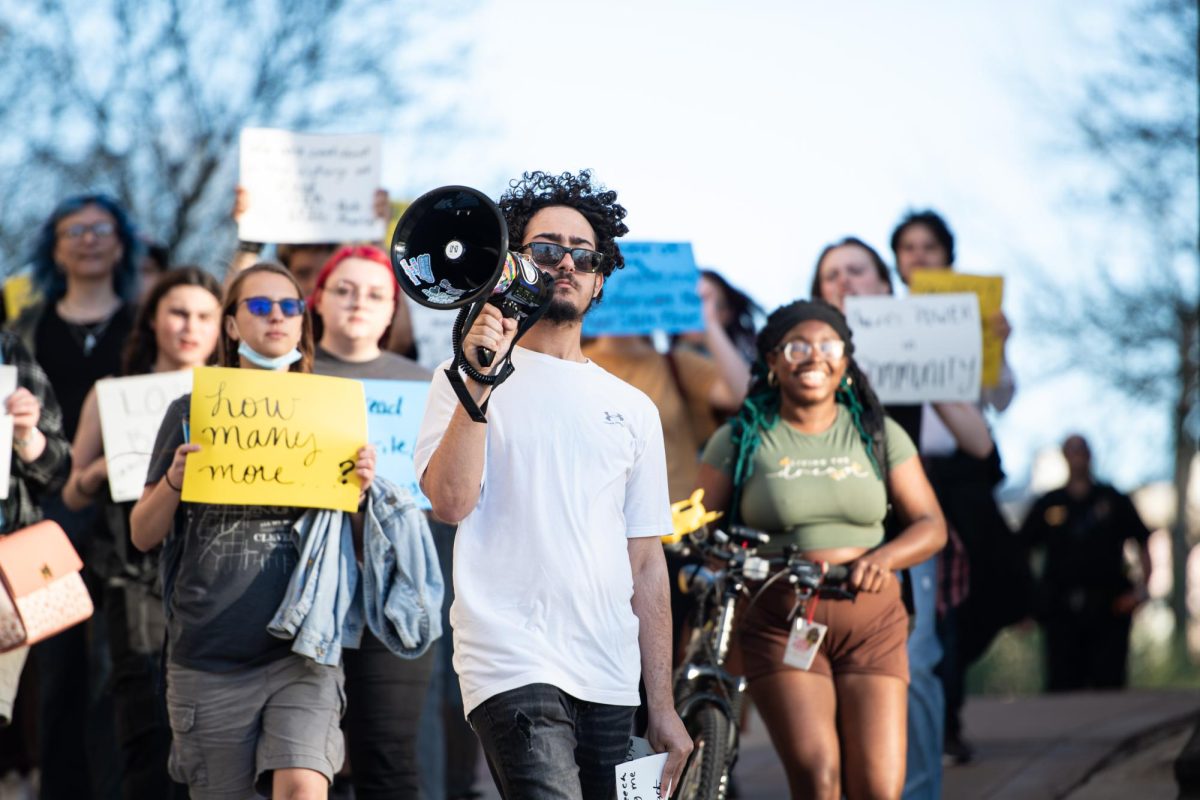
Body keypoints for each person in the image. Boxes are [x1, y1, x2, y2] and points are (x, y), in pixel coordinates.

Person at [414, 170, 692, 800]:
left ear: (598, 279)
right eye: (544, 250)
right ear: (512, 265)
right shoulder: (459, 379)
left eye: (582, 254)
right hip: (511, 663)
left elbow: (646, 563)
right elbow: (450, 502)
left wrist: (663, 703)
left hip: (612, 675)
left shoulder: (634, 408)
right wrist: (478, 385)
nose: (565, 262)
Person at [129, 263, 376, 799]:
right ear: (233, 326)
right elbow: (142, 534)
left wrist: (359, 495)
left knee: (302, 789)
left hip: (303, 652)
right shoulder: (190, 410)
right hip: (209, 657)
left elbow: (358, 548)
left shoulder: (332, 411)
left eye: (290, 306)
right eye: (260, 307)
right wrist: (174, 480)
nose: (278, 317)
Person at [695, 299, 946, 800]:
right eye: (797, 346)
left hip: (872, 620)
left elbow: (931, 525)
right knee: (818, 777)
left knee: (878, 787)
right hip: (778, 617)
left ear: (846, 361)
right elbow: (697, 528)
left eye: (828, 346)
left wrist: (884, 559)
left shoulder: (878, 432)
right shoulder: (741, 437)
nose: (814, 357)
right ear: (772, 361)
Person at [811, 236, 992, 796]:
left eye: (858, 270)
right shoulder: (800, 358)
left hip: (901, 542)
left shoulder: (910, 349)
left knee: (913, 670)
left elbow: (978, 443)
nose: (844, 281)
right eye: (831, 274)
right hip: (822, 543)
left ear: (886, 286)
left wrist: (937, 371)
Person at [62, 267, 222, 799]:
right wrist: (99, 471)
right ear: (152, 319)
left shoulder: (240, 398)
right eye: (178, 312)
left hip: (214, 576)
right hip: (132, 578)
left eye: (204, 315)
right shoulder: (112, 394)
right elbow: (71, 493)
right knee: (138, 717)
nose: (190, 327)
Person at [11, 193, 142, 799]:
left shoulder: (149, 320)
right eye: (74, 230)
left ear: (122, 243)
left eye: (102, 229)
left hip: (135, 519)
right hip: (46, 522)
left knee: (121, 670)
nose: (89, 239)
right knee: (58, 669)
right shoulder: (25, 330)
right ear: (54, 246)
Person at [889, 211, 1029, 765]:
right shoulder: (884, 322)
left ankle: (942, 723)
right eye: (908, 247)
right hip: (899, 480)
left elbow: (999, 398)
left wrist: (999, 346)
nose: (919, 256)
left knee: (950, 609)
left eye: (929, 246)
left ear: (948, 256)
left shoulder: (976, 319)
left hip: (959, 486)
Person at [307, 244, 445, 799]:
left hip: (394, 597)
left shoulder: (431, 387)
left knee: (388, 759)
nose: (358, 302)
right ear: (317, 301)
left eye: (375, 293)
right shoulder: (291, 378)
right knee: (298, 759)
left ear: (395, 311)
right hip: (300, 590)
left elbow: (448, 494)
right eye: (343, 289)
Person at [1019, 434, 1152, 691]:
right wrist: (1027, 600)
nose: (1077, 456)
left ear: (1090, 455)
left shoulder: (1112, 499)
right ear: (1064, 456)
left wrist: (1142, 589)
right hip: (1060, 609)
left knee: (1109, 683)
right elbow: (1022, 548)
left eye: (1082, 450)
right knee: (1062, 686)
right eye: (1072, 450)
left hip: (1108, 607)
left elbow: (1144, 539)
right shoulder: (1050, 503)